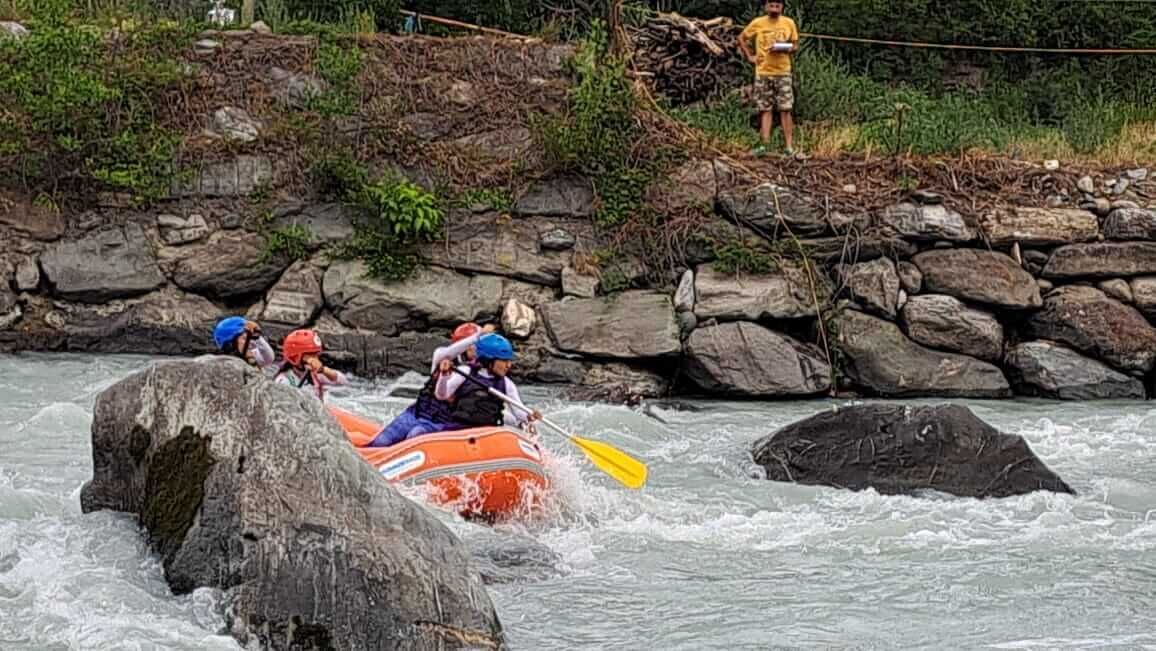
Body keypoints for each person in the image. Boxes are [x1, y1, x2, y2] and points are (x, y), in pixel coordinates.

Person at [365, 322, 496, 447]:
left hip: (441, 424)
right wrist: (479, 335)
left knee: (415, 435)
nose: (476, 347)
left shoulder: (477, 373)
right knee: (381, 442)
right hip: (415, 413)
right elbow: (449, 352)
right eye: (474, 344)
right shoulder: (441, 356)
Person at [436, 333, 541, 432]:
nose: (508, 365)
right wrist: (443, 376)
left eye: (509, 361)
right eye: (504, 361)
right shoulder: (465, 372)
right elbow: (441, 395)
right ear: (488, 360)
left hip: (488, 433)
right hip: (459, 429)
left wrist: (530, 416)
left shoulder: (506, 383)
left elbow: (518, 412)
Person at [737, 0, 800, 157]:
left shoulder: (789, 23)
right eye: (771, 3)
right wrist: (750, 57)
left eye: (778, 4)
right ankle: (764, 146)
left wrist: (786, 48)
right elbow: (741, 38)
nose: (775, 6)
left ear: (782, 7)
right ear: (766, 6)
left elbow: (796, 45)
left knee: (785, 109)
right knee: (765, 109)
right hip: (763, 72)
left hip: (783, 72)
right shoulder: (758, 23)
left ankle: (789, 148)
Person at [273, 329, 348, 401]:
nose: (315, 359)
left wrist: (323, 370)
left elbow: (342, 381)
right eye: (311, 355)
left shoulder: (315, 374)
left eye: (316, 355)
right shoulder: (284, 380)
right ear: (296, 357)